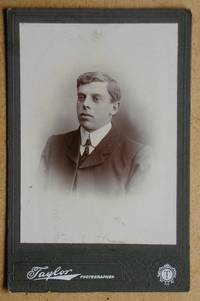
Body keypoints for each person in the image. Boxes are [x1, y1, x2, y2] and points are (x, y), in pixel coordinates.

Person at [40, 72, 151, 196]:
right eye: (81, 97)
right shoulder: (54, 145)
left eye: (96, 98)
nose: (85, 104)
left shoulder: (137, 155)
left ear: (114, 108)